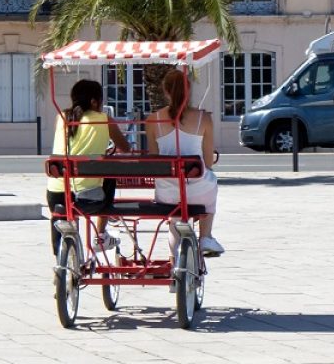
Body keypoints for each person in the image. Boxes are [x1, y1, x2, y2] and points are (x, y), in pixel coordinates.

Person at [47, 78, 131, 253]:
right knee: (108, 176)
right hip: (88, 198)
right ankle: (100, 235)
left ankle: (60, 263)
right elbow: (125, 148)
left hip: (56, 194)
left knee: (63, 212)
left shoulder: (62, 117)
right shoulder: (104, 120)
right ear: (94, 101)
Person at [147, 69, 223, 257]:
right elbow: (207, 161)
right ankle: (205, 236)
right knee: (211, 180)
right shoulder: (203, 118)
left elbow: (154, 159)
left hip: (168, 193)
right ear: (189, 90)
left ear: (165, 91)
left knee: (174, 223)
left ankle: (175, 267)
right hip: (199, 191)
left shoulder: (152, 120)